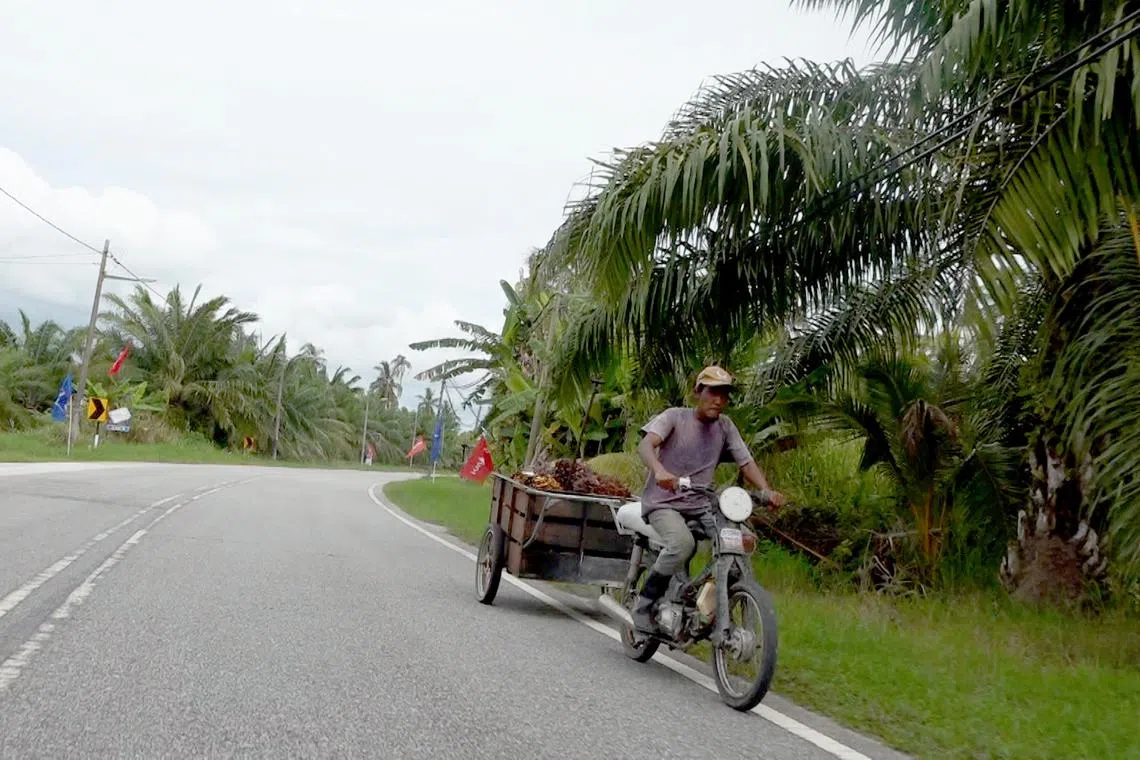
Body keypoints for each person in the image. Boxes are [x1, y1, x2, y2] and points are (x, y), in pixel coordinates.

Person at [631, 365, 785, 634]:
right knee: (682, 544)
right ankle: (645, 604)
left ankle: (709, 606)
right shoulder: (674, 417)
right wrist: (660, 471)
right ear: (698, 392)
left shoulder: (725, 426)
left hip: (702, 504)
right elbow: (646, 445)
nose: (718, 400)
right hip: (664, 502)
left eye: (724, 394)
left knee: (743, 541)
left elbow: (745, 461)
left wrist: (766, 490)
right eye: (713, 392)